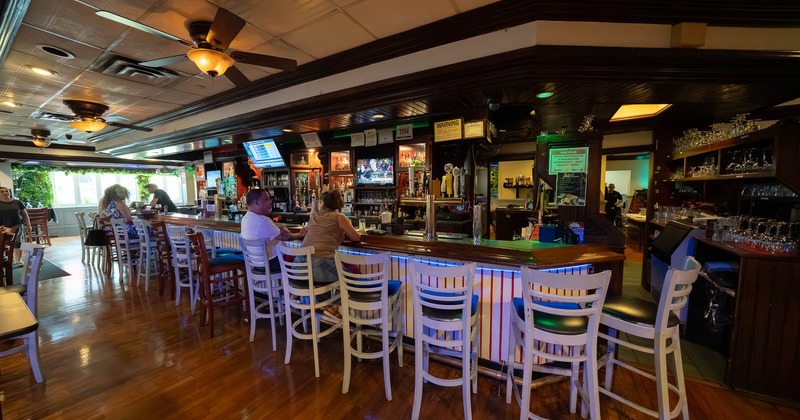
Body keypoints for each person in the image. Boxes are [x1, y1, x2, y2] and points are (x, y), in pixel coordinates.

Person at [299, 189, 361, 319]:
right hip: (318, 267)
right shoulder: (339, 217)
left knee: (328, 273)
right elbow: (356, 237)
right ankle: (332, 306)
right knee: (352, 278)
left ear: (322, 203)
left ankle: (326, 305)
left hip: (299, 267)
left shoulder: (314, 216)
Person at [240, 189, 304, 273]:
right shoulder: (263, 220)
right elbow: (286, 237)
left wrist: (283, 230)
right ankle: (293, 286)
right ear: (256, 203)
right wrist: (302, 234)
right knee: (303, 260)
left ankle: (287, 286)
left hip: (256, 264)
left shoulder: (245, 218)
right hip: (271, 263)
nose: (270, 202)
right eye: (266, 199)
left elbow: (279, 234)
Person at [0, 186, 31, 266]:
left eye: (6, 191)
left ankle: (18, 260)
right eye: (2, 191)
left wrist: (28, 224)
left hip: (17, 224)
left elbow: (24, 213)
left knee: (17, 242)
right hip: (2, 226)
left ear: (9, 192)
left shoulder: (17, 202)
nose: (5, 192)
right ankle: (6, 259)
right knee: (3, 243)